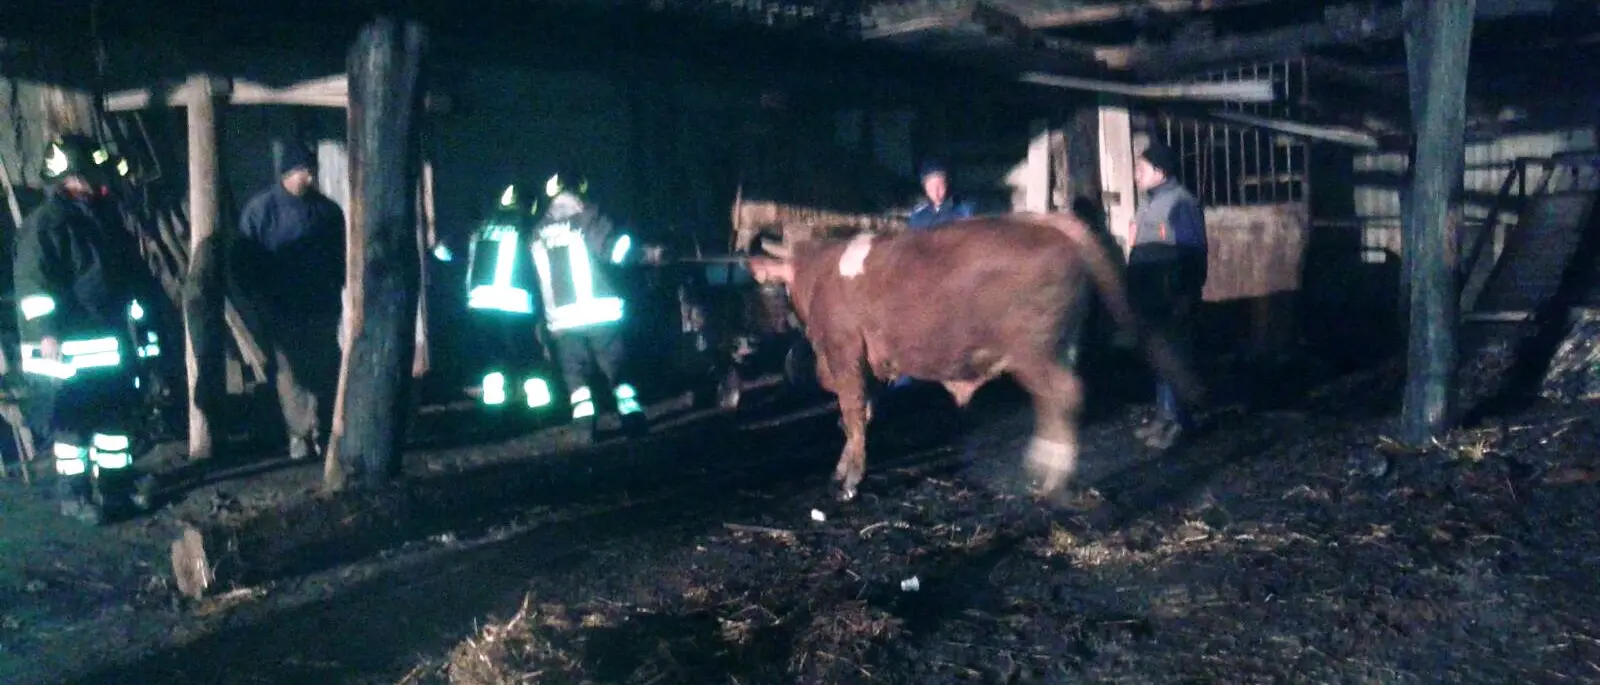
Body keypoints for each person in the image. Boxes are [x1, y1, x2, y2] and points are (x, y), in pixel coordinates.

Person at [15, 135, 158, 524]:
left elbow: (128, 275)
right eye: (91, 175)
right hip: (65, 352)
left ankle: (115, 489)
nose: (100, 182)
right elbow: (33, 284)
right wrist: (46, 332)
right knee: (73, 431)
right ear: (70, 178)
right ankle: (75, 497)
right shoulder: (45, 225)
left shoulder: (102, 217)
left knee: (114, 426)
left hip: (107, 345)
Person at [231, 144, 346, 460]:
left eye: (312, 171)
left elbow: (341, 255)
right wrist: (257, 298)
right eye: (304, 171)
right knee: (290, 374)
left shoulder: (327, 211)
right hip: (282, 307)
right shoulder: (261, 211)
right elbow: (244, 260)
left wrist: (338, 287)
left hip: (321, 304)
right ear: (288, 172)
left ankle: (323, 430)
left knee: (324, 369)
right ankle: (300, 434)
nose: (310, 177)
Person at [529, 169, 658, 440]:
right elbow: (613, 251)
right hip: (600, 314)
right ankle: (633, 420)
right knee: (617, 371)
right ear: (580, 190)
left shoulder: (537, 230)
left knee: (576, 378)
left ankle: (585, 428)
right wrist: (647, 253)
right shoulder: (589, 217)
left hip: (562, 321)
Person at [1126, 140, 1208, 450]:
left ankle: (1181, 423)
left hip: (1171, 294)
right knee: (1159, 356)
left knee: (1175, 356)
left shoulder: (1180, 203)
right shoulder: (1149, 202)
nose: (1136, 175)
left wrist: (1187, 294)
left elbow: (1194, 252)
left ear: (1160, 171)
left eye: (1141, 169)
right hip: (1150, 295)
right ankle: (1164, 416)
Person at [456, 182, 558, 414]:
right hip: (517, 303)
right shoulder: (529, 229)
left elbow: (443, 250)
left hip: (480, 303)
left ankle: (495, 406)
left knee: (492, 354)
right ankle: (539, 404)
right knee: (526, 350)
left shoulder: (481, 227)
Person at [907, 160, 975, 232]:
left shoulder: (963, 211)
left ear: (946, 184)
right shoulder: (918, 216)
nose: (936, 192)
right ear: (925, 188)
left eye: (940, 186)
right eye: (931, 188)